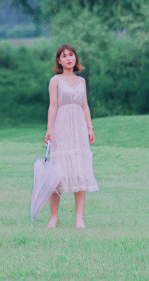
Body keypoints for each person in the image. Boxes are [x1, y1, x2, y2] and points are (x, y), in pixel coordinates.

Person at [43, 44, 99, 229]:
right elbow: (53, 105)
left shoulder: (81, 81)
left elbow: (84, 106)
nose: (68, 58)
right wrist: (49, 129)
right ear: (59, 61)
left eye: (71, 55)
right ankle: (53, 218)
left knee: (80, 171)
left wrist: (89, 127)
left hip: (79, 127)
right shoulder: (55, 80)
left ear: (75, 58)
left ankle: (79, 218)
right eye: (64, 56)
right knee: (57, 174)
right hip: (61, 126)